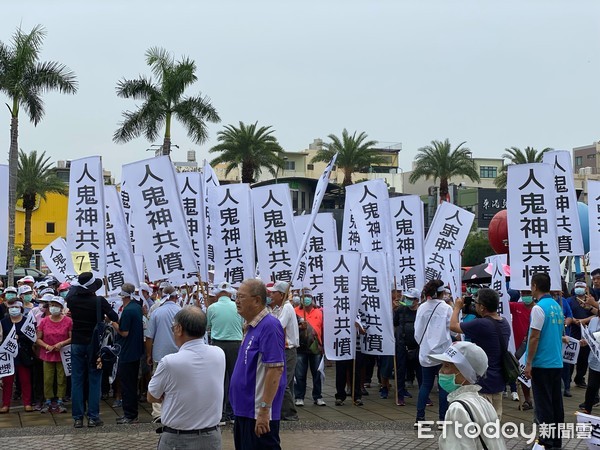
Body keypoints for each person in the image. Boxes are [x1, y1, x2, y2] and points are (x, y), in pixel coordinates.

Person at [148, 307, 225, 450]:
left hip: (178, 439)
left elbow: (152, 396)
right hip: (211, 436)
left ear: (178, 329)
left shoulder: (169, 362)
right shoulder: (219, 353)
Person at [230, 279, 286, 450]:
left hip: (257, 413)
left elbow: (275, 369)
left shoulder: (269, 325)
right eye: (236, 296)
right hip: (244, 410)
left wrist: (264, 410)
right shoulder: (251, 326)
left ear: (256, 300)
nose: (237, 301)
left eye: (241, 297)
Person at [429, 341, 506, 450]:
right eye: (442, 365)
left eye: (447, 366)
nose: (441, 371)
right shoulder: (483, 402)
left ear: (465, 373)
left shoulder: (457, 409)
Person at [66, 272, 118, 428]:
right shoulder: (99, 301)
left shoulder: (72, 300)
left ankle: (77, 418)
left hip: (76, 343)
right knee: (94, 379)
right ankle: (93, 417)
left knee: (77, 380)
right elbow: (114, 316)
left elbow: (70, 295)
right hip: (94, 345)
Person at [450, 288, 511, 419]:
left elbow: (453, 326)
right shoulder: (504, 322)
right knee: (494, 424)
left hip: (483, 382)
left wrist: (456, 308)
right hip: (499, 380)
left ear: (482, 307)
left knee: (481, 423)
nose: (474, 305)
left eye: (476, 303)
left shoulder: (481, 324)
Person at [524, 273, 565, 450]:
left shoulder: (538, 308)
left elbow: (534, 337)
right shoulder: (556, 306)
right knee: (556, 403)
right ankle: (556, 441)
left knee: (544, 405)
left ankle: (547, 442)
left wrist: (528, 362)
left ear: (534, 286)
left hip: (542, 363)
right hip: (556, 362)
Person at [413, 279, 452, 427]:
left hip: (426, 352)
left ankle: (420, 418)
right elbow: (452, 327)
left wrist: (425, 345)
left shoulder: (422, 308)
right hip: (444, 353)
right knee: (443, 386)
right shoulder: (446, 308)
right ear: (442, 293)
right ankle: (443, 420)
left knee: (425, 385)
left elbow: (417, 333)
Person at [206, 281, 243, 425]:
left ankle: (220, 414)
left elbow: (207, 326)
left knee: (219, 379)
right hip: (235, 344)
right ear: (229, 293)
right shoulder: (237, 306)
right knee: (234, 378)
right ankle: (233, 413)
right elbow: (242, 324)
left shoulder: (212, 308)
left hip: (218, 344)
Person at [145, 284, 181, 424]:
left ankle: (158, 413)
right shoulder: (181, 311)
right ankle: (175, 410)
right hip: (178, 353)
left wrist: (149, 354)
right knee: (176, 383)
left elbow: (149, 336)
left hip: (159, 354)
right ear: (175, 297)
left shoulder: (156, 312)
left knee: (158, 382)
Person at [110, 283, 144, 424]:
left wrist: (114, 324)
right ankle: (132, 414)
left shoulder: (128, 310)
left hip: (128, 351)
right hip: (136, 350)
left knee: (127, 384)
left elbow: (124, 332)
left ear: (123, 295)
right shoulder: (137, 307)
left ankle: (130, 415)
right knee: (132, 383)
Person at [267, 280, 300, 421]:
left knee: (282, 383)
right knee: (285, 382)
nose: (271, 295)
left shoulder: (286, 308)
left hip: (288, 350)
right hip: (282, 349)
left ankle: (290, 414)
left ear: (281, 295)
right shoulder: (278, 308)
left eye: (274, 293)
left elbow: (278, 326)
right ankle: (283, 411)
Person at [36, 295, 72, 413]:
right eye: (51, 305)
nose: (53, 308)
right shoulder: (44, 321)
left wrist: (61, 344)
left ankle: (60, 400)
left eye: (56, 306)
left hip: (62, 354)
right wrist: (47, 346)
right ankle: (48, 401)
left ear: (61, 307)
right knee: (47, 378)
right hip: (47, 353)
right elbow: (38, 338)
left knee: (61, 378)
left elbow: (72, 337)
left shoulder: (68, 321)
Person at [0, 299, 35, 413]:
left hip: (23, 354)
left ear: (21, 308)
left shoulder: (26, 321)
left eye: (16, 307)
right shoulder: (3, 322)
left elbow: (32, 338)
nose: (13, 310)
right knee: (7, 381)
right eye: (11, 308)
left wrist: (20, 338)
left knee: (25, 379)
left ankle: (27, 403)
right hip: (8, 355)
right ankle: (5, 404)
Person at [294, 288, 325, 406]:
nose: (306, 299)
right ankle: (299, 396)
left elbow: (323, 329)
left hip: (316, 347)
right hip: (300, 346)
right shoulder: (295, 311)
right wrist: (300, 327)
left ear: (312, 298)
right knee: (300, 373)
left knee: (317, 373)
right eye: (304, 297)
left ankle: (318, 396)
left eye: (308, 296)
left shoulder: (319, 312)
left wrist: (324, 346)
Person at [394, 287, 421, 406]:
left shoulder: (421, 311)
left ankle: (424, 397)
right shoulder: (401, 310)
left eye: (411, 299)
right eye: (407, 298)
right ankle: (400, 396)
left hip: (417, 346)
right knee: (400, 371)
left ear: (417, 300)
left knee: (420, 372)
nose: (408, 301)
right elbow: (395, 324)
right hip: (402, 345)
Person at [509, 289, 535, 409]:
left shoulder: (539, 309)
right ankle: (527, 399)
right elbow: (502, 304)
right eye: (523, 294)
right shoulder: (516, 306)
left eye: (528, 293)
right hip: (520, 347)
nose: (525, 296)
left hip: (536, 347)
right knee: (523, 375)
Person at [567, 280, 595, 388]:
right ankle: (567, 379)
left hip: (587, 333)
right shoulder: (570, 300)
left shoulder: (590, 300)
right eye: (577, 286)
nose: (579, 288)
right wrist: (574, 320)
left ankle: (580, 378)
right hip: (573, 332)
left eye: (581, 286)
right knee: (570, 356)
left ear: (585, 288)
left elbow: (597, 314)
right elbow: (567, 313)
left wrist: (584, 320)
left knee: (583, 358)